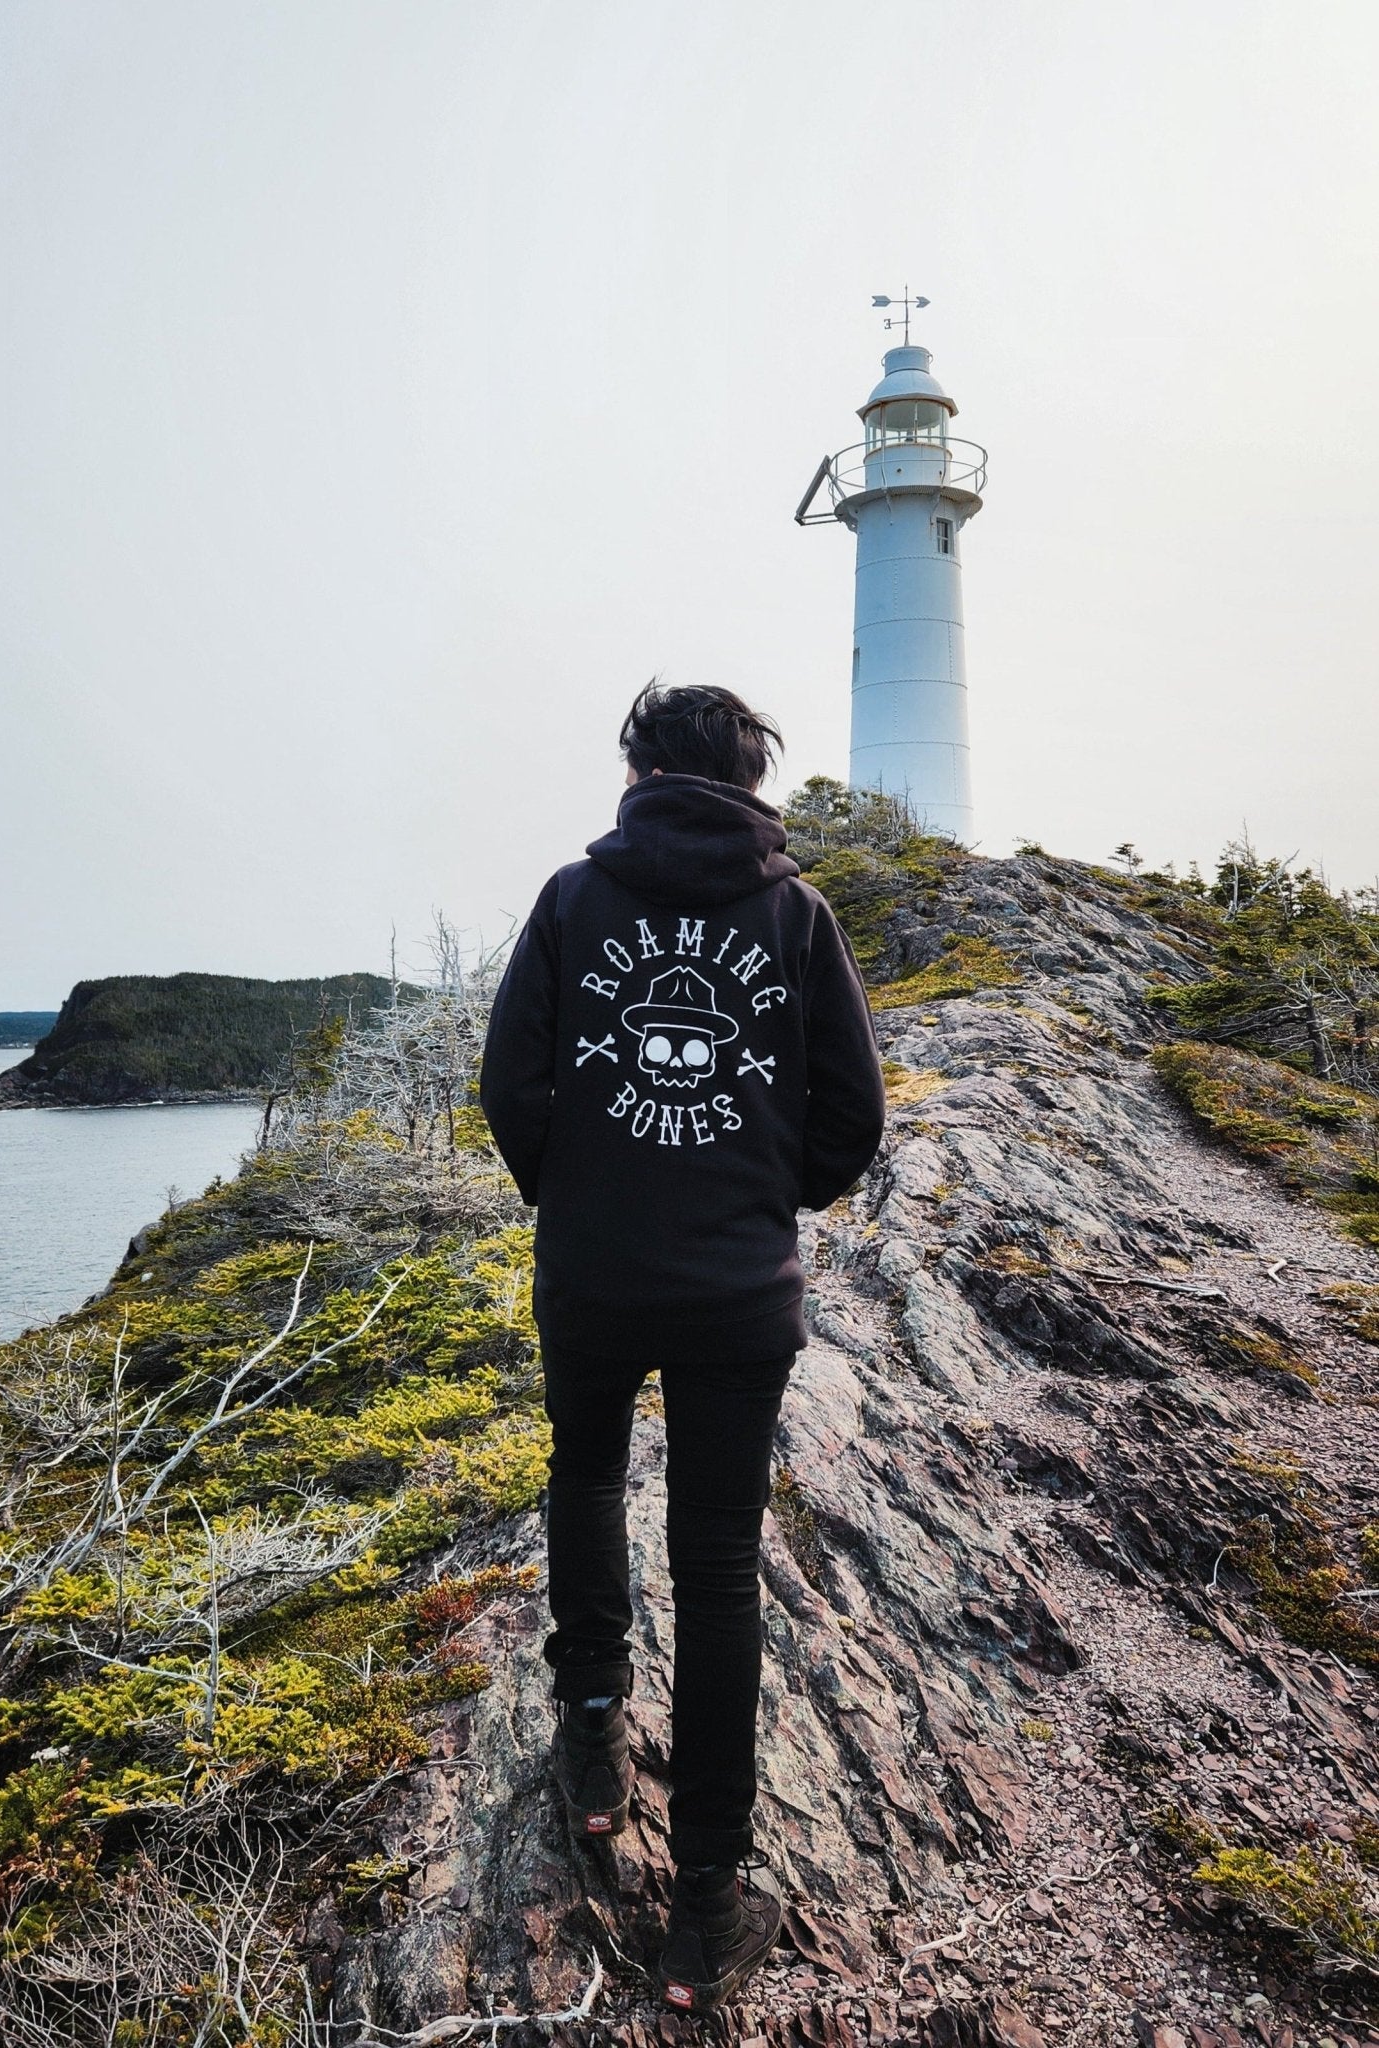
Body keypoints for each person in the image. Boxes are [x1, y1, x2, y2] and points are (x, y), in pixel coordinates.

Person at [480, 683, 885, 2014]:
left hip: (594, 1274)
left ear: (641, 768)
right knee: (717, 1569)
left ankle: (591, 1747)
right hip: (734, 1291)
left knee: (587, 1477)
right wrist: (770, 1196)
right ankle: (706, 1906)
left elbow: (511, 1082)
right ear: (754, 775)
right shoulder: (796, 914)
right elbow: (852, 1112)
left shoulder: (570, 900)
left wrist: (583, 1193)